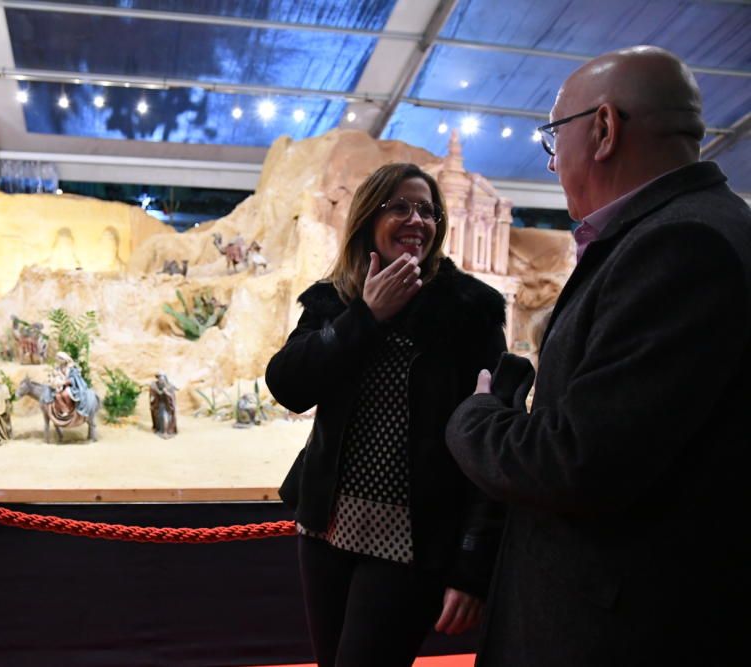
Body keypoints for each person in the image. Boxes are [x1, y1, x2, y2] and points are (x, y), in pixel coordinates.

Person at [445, 46, 751, 665]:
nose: (554, 164)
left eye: (555, 137)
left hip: (613, 629)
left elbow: (579, 462)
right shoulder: (701, 227)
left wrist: (476, 417)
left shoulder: (681, 244)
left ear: (605, 129)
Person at [266, 163, 507, 667]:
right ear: (367, 218)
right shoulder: (335, 298)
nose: (416, 219)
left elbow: (494, 435)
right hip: (325, 529)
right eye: (399, 206)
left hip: (412, 539)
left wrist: (472, 565)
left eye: (427, 210)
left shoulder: (470, 310)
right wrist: (366, 318)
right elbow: (288, 385)